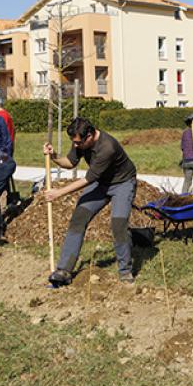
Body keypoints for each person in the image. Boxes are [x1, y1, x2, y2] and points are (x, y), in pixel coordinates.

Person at [42, 117, 138, 285]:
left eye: (79, 143)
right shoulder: (80, 138)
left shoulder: (107, 147)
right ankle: (64, 270)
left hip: (122, 183)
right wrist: (54, 156)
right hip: (102, 183)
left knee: (118, 224)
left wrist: (58, 193)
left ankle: (125, 271)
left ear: (90, 135)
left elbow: (88, 179)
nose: (76, 146)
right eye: (74, 143)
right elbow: (71, 162)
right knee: (79, 218)